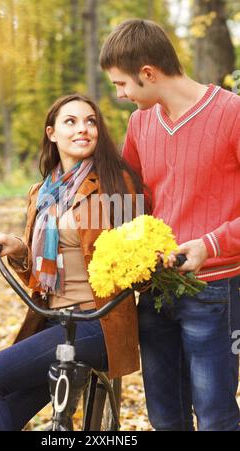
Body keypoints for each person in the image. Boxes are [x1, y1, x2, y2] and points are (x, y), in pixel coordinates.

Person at [0, 93, 144, 431]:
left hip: (96, 323)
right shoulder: (42, 192)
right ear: (51, 133)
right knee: (1, 407)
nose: (84, 129)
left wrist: (141, 259)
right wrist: (18, 248)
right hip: (52, 321)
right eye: (71, 121)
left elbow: (139, 261)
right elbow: (44, 267)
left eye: (91, 121)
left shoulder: (118, 185)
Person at [100, 19, 240, 431]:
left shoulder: (232, 114)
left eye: (120, 84)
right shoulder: (140, 125)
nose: (121, 95)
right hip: (154, 290)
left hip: (214, 289)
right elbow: (127, 201)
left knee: (215, 418)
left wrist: (209, 245)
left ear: (148, 73)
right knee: (164, 418)